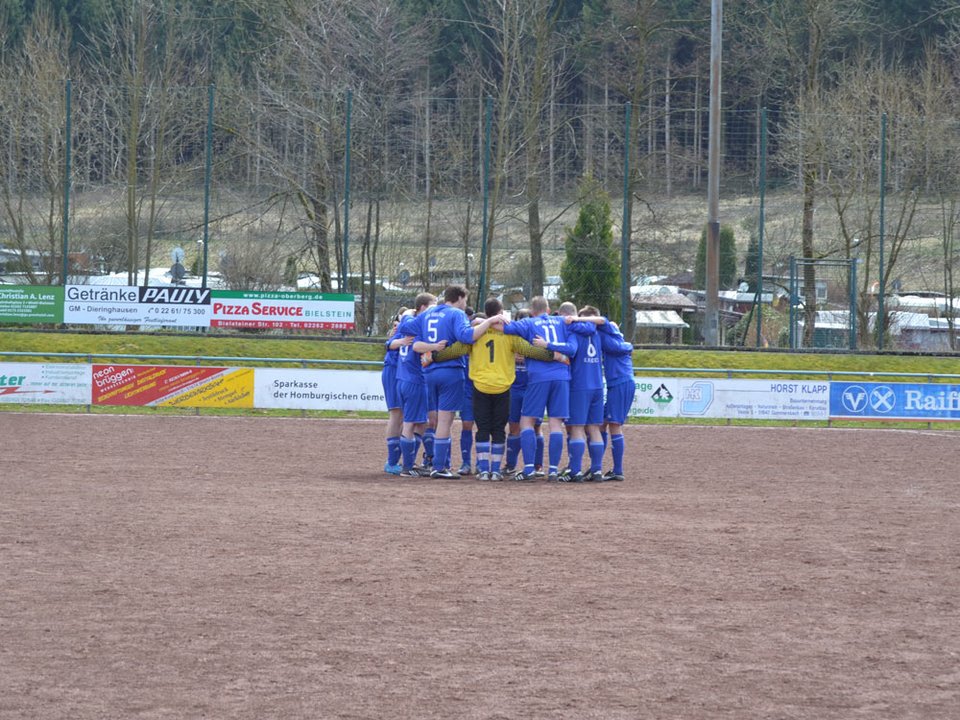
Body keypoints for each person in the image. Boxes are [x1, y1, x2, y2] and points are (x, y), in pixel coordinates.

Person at [432, 298, 564, 480]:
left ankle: (484, 470)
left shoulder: (476, 333)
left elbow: (455, 350)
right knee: (499, 430)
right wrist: (553, 355)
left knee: (483, 429)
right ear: (501, 313)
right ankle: (495, 470)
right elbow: (530, 350)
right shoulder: (509, 335)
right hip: (502, 387)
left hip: (481, 386)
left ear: (485, 313)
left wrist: (435, 356)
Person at [411, 285, 501, 479]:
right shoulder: (456, 314)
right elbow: (467, 337)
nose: (465, 304)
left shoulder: (427, 314)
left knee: (431, 420)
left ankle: (430, 461)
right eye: (465, 300)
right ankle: (439, 466)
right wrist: (489, 321)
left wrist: (433, 349)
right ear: (459, 298)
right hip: (450, 371)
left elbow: (416, 345)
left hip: (428, 373)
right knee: (445, 421)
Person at [501, 296, 578, 481]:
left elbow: (503, 327)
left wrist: (491, 319)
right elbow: (572, 349)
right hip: (561, 377)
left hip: (538, 378)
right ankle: (552, 470)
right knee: (555, 424)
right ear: (549, 309)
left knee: (526, 422)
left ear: (531, 310)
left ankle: (528, 468)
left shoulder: (529, 322)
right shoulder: (563, 321)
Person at [394, 293, 443, 477]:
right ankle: (407, 467)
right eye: (433, 305)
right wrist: (435, 347)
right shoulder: (420, 325)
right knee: (410, 423)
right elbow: (420, 350)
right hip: (414, 381)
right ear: (422, 308)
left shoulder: (409, 323)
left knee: (421, 423)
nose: (435, 309)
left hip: (403, 378)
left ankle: (414, 462)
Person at [562, 304, 607, 482]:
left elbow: (570, 352)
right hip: (597, 385)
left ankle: (576, 471)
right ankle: (596, 470)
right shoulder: (597, 333)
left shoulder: (574, 332)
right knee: (594, 428)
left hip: (580, 385)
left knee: (577, 428)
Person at [596, 320, 635, 481]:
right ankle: (596, 466)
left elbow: (614, 345)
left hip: (620, 383)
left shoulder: (610, 341)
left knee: (614, 425)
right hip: (618, 384)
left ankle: (618, 470)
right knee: (602, 424)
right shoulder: (618, 341)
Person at [381, 308, 411, 474]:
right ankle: (392, 462)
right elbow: (389, 345)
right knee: (396, 413)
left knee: (405, 416)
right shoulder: (403, 328)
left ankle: (397, 459)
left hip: (402, 372)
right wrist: (398, 339)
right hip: (394, 370)